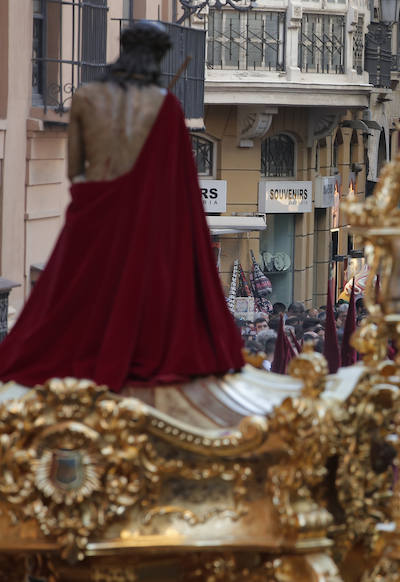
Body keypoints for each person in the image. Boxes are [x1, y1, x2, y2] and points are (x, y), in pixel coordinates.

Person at [0, 21, 244, 390]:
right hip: (142, 222)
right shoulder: (166, 105)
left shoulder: (85, 95)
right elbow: (176, 184)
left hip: (94, 211)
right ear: (156, 57)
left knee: (75, 290)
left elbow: (75, 170)